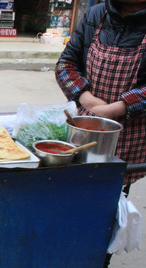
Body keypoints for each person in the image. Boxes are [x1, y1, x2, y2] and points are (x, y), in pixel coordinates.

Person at [55, 0, 146, 191]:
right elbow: (65, 64)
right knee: (74, 187)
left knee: (112, 193)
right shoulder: (96, 14)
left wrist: (121, 107)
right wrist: (84, 96)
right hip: (84, 126)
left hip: (130, 134)